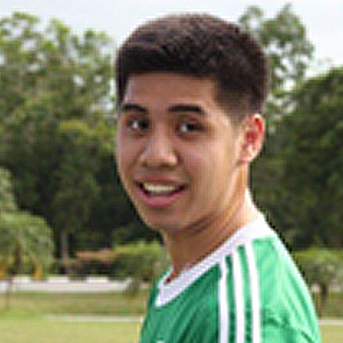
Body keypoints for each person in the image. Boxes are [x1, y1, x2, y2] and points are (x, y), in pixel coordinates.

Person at [114, 13, 321, 343]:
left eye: (188, 127)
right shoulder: (184, 279)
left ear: (249, 139)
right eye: (138, 124)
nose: (155, 155)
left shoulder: (243, 318)